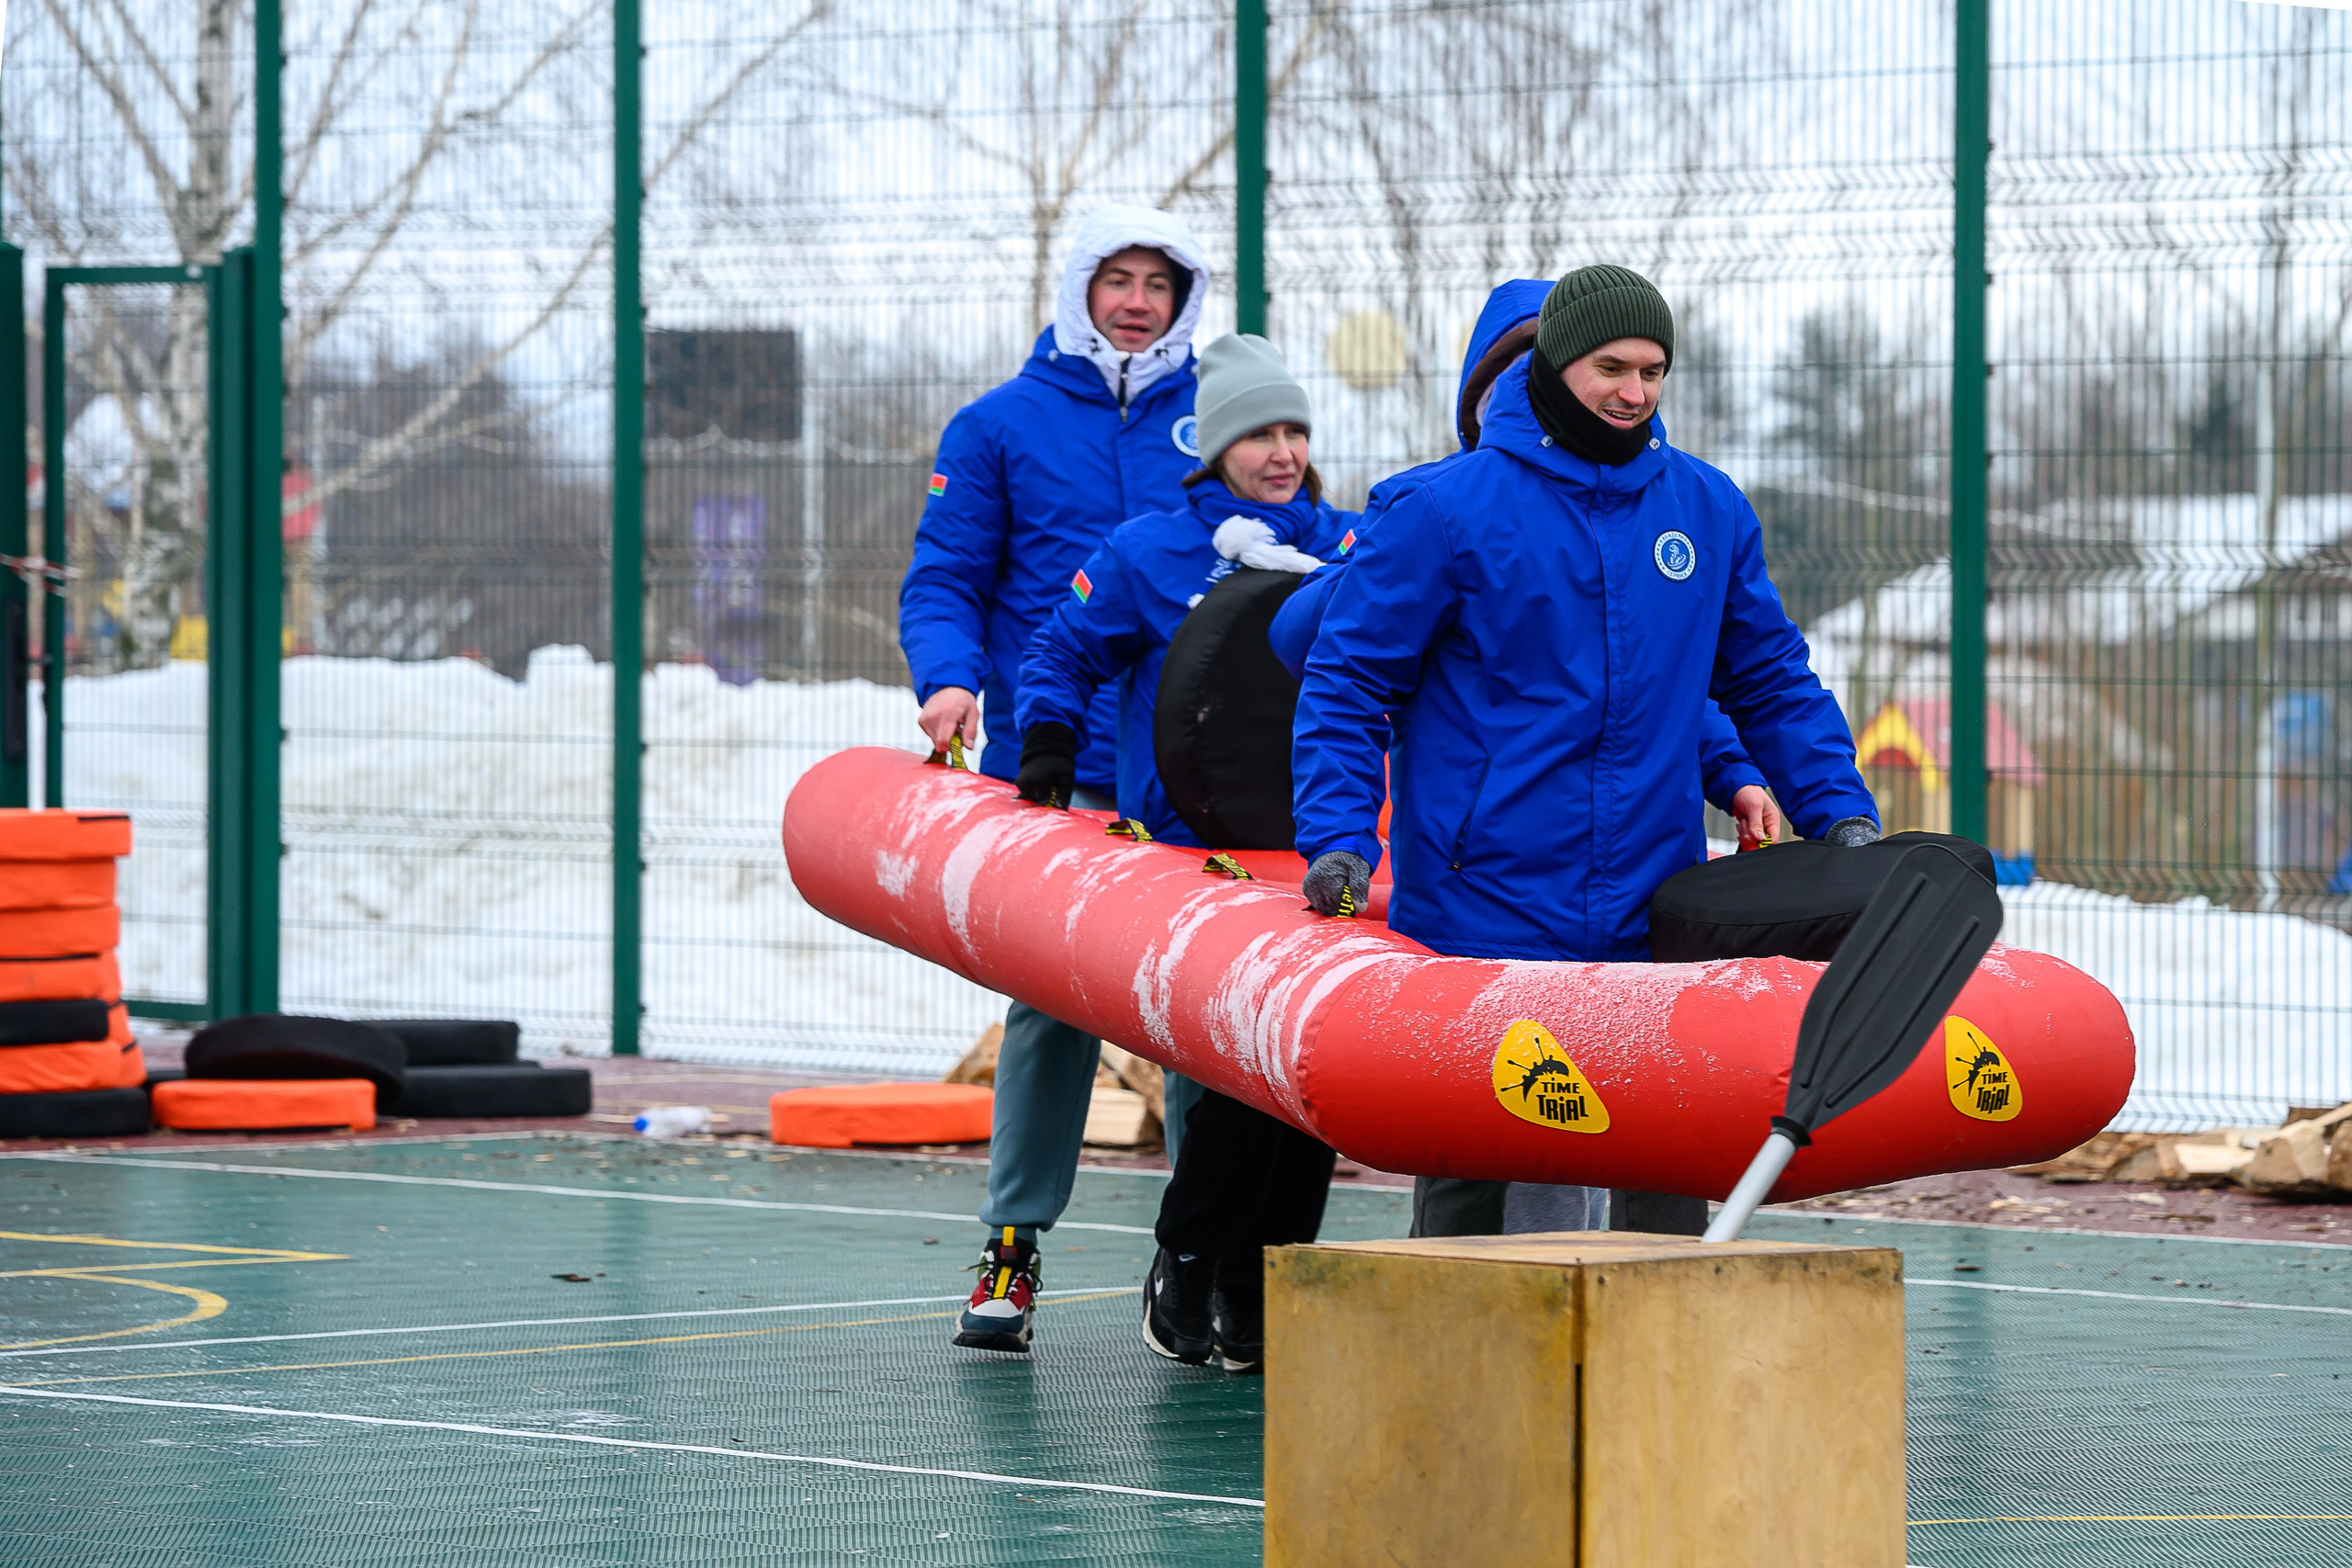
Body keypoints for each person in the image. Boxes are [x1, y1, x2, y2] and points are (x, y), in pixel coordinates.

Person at [1290, 265, 1880, 1220]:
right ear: (1556, 362)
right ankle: (1456, 1366)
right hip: (1485, 905)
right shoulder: (1441, 509)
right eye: (1611, 367)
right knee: (1472, 1185)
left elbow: (1768, 677)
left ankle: (1651, 1365)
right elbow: (1349, 681)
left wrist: (1841, 815)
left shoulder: (1707, 508)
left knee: (1664, 1172)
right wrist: (1339, 837)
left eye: (1653, 371)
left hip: (1649, 903)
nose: (1634, 392)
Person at [898, 206, 1211, 1355]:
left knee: (1194, 1012)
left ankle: (1194, 1250)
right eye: (1116, 279)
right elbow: (943, 578)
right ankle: (1014, 1244)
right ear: (1081, 290)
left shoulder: (1215, 421)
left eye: (1158, 284)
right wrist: (948, 679)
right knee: (1054, 1003)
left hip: (1191, 775)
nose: (1137, 300)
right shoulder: (997, 427)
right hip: (1056, 761)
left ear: (1184, 300)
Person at [1019, 334, 1358, 1374]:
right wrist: (1046, 740)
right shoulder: (1149, 551)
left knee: (1306, 1071)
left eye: (1296, 430)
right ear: (1215, 449)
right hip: (1194, 855)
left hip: (1322, 848)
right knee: (1227, 1078)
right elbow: (1061, 645)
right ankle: (1190, 1253)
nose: (1283, 450)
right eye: (1261, 432)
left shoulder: (1348, 549)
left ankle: (1270, 1273)